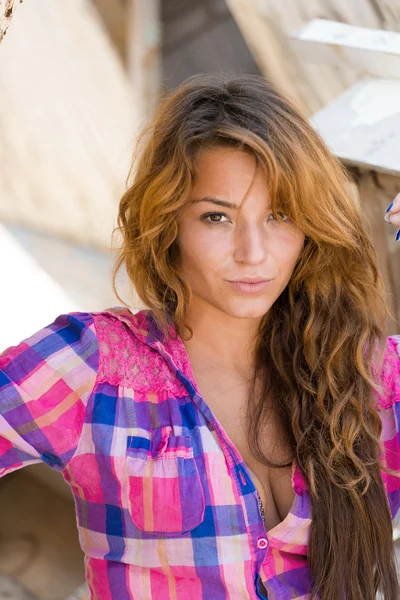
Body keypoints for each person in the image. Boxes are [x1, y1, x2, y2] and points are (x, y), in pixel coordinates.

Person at [1, 73, 400, 600]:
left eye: (279, 215)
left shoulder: (373, 376)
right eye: (217, 217)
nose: (253, 252)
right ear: (168, 225)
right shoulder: (94, 369)